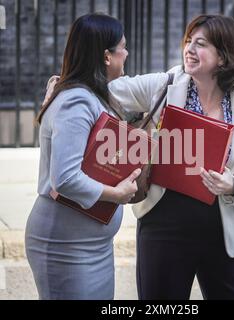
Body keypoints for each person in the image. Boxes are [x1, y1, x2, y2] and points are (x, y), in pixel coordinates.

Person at [46, 14, 234, 300]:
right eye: (189, 41)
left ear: (224, 57)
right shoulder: (163, 85)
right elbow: (100, 90)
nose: (189, 49)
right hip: (164, 223)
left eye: (200, 44)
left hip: (224, 228)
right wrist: (61, 90)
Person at [25, 13, 141, 300]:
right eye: (122, 47)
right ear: (105, 56)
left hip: (92, 244)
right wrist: (117, 194)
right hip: (66, 247)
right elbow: (64, 179)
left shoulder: (92, 95)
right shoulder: (76, 100)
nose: (126, 53)